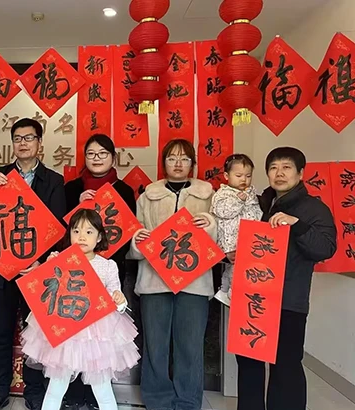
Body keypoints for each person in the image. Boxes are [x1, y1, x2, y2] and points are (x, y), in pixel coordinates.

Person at [236, 147, 337, 410]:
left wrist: (297, 225)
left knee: (286, 366)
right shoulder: (256, 205)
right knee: (248, 365)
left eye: (286, 167)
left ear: (301, 173)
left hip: (289, 301)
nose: (279, 173)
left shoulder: (314, 209)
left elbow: (326, 248)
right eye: (273, 168)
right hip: (252, 299)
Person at [0, 118, 67, 410]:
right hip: (1, 269)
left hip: (37, 271)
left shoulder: (53, 180)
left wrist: (40, 261)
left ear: (40, 143)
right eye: (18, 138)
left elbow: (57, 226)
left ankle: (34, 392)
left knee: (36, 336)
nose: (23, 143)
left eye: (29, 138)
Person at [21, 209, 140, 410]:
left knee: (102, 389)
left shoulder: (108, 266)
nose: (82, 237)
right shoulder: (60, 259)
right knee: (56, 387)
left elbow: (117, 300)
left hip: (97, 336)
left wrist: (120, 300)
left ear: (99, 237)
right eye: (76, 231)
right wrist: (48, 266)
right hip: (65, 331)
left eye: (89, 232)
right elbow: (44, 294)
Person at [129, 139, 216, 410]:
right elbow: (135, 233)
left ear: (193, 163)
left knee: (190, 345)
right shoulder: (147, 196)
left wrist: (210, 225)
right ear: (163, 163)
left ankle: (187, 401)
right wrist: (138, 240)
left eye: (184, 158)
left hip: (195, 283)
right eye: (172, 158)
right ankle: (157, 400)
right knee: (155, 345)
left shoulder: (209, 195)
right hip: (154, 281)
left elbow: (224, 239)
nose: (178, 164)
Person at [62, 134, 137, 410]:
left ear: (113, 158)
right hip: (73, 274)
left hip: (106, 270)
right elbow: (62, 229)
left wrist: (105, 260)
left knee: (98, 340)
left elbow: (129, 230)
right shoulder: (71, 188)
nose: (97, 158)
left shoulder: (125, 190)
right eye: (91, 154)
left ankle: (96, 396)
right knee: (73, 337)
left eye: (103, 153)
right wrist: (78, 204)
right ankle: (73, 395)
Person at [210, 154, 263, 306]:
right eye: (238, 176)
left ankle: (224, 291)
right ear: (227, 176)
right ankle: (231, 292)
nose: (243, 179)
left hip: (249, 238)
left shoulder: (250, 193)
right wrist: (239, 200)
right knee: (235, 269)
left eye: (248, 176)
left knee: (239, 269)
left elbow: (257, 211)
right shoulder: (222, 194)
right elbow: (224, 212)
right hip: (230, 240)